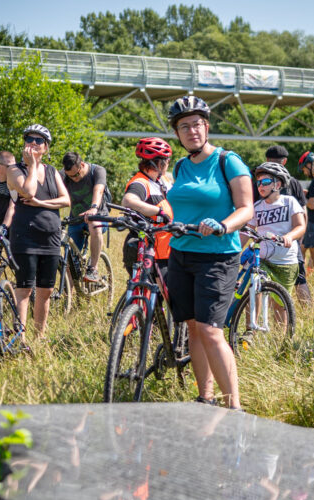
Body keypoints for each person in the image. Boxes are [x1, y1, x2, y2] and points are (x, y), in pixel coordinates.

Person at [164, 95, 253, 409]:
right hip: (180, 254)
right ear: (177, 134)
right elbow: (179, 204)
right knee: (192, 327)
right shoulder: (180, 166)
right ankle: (206, 398)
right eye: (184, 127)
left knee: (211, 330)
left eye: (197, 124)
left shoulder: (228, 161)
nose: (192, 131)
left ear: (206, 126)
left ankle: (234, 407)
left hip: (217, 256)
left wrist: (222, 226)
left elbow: (246, 208)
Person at [5, 124, 71, 338]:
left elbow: (66, 200)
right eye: (29, 139)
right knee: (24, 289)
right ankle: (20, 338)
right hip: (25, 236)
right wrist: (32, 166)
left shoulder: (52, 171)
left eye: (39, 140)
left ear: (46, 147)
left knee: (46, 290)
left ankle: (39, 336)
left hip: (50, 238)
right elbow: (28, 191)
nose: (33, 143)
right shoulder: (14, 170)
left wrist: (41, 204)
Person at [246, 162, 306, 319]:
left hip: (286, 261)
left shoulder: (289, 202)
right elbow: (246, 232)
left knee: (280, 305)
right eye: (258, 182)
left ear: (277, 184)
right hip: (264, 259)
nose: (260, 186)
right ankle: (249, 329)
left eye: (265, 181)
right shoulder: (257, 207)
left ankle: (281, 334)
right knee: (254, 288)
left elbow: (300, 226)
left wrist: (289, 236)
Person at [263, 145, 311, 303]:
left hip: (267, 240)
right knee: (300, 278)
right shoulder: (293, 182)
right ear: (284, 161)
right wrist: (300, 236)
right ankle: (306, 310)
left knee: (262, 281)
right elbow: (304, 212)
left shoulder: (261, 184)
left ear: (267, 160)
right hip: (290, 239)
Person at [120, 137, 174, 274]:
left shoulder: (162, 180)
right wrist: (158, 211)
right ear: (159, 163)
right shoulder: (140, 183)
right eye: (167, 160)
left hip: (166, 251)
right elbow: (128, 200)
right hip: (150, 253)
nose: (168, 162)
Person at [60, 151, 108, 282]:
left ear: (81, 164)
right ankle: (68, 293)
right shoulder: (63, 175)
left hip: (98, 216)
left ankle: (93, 268)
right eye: (70, 176)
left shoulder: (97, 171)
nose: (74, 178)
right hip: (76, 219)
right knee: (70, 264)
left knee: (94, 224)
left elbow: (99, 190)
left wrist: (93, 208)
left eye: (76, 174)